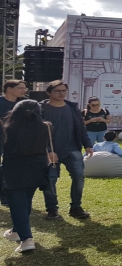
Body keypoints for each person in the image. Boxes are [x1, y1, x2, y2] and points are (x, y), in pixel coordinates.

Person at [2, 100, 55, 253]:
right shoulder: (46, 127)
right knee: (25, 200)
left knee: (17, 203)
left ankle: (27, 239)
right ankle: (16, 231)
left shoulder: (8, 128)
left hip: (14, 167)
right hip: (38, 167)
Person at [40, 80, 93, 220]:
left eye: (64, 91)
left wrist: (88, 144)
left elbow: (81, 128)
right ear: (49, 92)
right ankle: (52, 210)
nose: (61, 93)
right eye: (58, 91)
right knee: (50, 180)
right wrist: (48, 150)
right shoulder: (40, 109)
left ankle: (76, 207)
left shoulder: (72, 108)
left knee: (79, 177)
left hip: (72, 149)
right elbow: (37, 132)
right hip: (50, 152)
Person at [0, 79, 28, 206]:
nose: (24, 90)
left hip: (16, 141)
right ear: (9, 89)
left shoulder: (23, 104)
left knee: (9, 168)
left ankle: (6, 194)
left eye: (24, 88)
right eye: (21, 88)